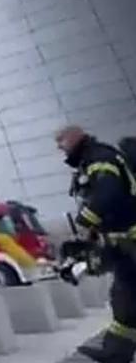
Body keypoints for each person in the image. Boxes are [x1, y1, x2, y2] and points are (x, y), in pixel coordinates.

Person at [57, 125, 136, 363]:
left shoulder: (99, 157)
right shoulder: (93, 159)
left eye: (61, 140)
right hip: (124, 242)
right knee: (125, 297)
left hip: (131, 239)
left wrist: (85, 221)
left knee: (127, 294)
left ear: (74, 138)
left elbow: (109, 193)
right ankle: (116, 352)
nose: (59, 146)